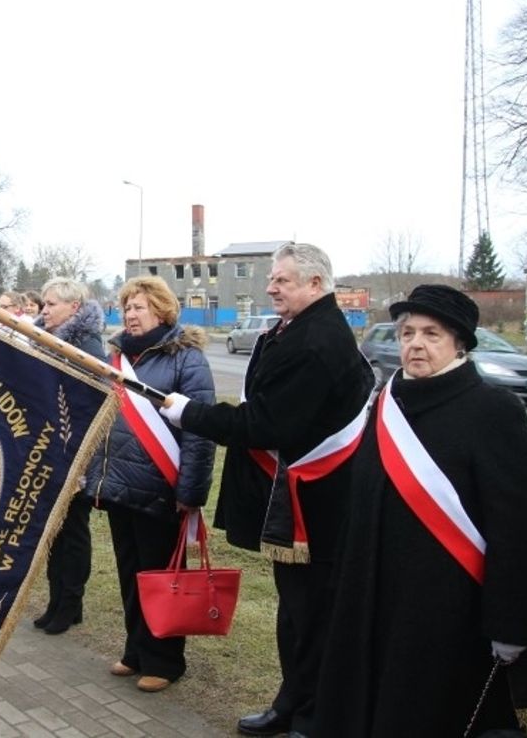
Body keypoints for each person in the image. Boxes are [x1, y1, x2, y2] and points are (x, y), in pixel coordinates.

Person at [313, 285, 527, 737]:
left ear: (460, 343)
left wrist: (512, 622)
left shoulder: (493, 410)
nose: (415, 344)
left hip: (447, 611)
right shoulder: (386, 403)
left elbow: (517, 530)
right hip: (372, 598)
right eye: (406, 333)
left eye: (431, 333)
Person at [159, 243, 373, 736]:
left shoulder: (318, 341)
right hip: (297, 501)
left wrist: (189, 412)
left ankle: (313, 718)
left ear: (316, 285)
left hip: (319, 506)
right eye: (273, 278)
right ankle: (291, 702)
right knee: (295, 613)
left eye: (283, 280)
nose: (271, 287)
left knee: (314, 617)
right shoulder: (293, 331)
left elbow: (265, 423)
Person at [84, 275, 215, 693]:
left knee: (162, 576)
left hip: (162, 484)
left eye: (138, 307)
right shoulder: (118, 357)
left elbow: (200, 431)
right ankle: (136, 650)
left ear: (161, 309)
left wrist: (191, 492)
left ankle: (165, 660)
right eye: (126, 308)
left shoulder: (185, 358)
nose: (130, 314)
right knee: (130, 573)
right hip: (120, 483)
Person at [32, 278, 106, 635]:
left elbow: (88, 403)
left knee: (73, 532)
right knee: (54, 531)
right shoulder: (43, 338)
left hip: (75, 453)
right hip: (49, 448)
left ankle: (71, 603)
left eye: (51, 304)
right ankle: (56, 600)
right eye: (43, 304)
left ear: (73, 307)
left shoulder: (86, 344)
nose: (44, 310)